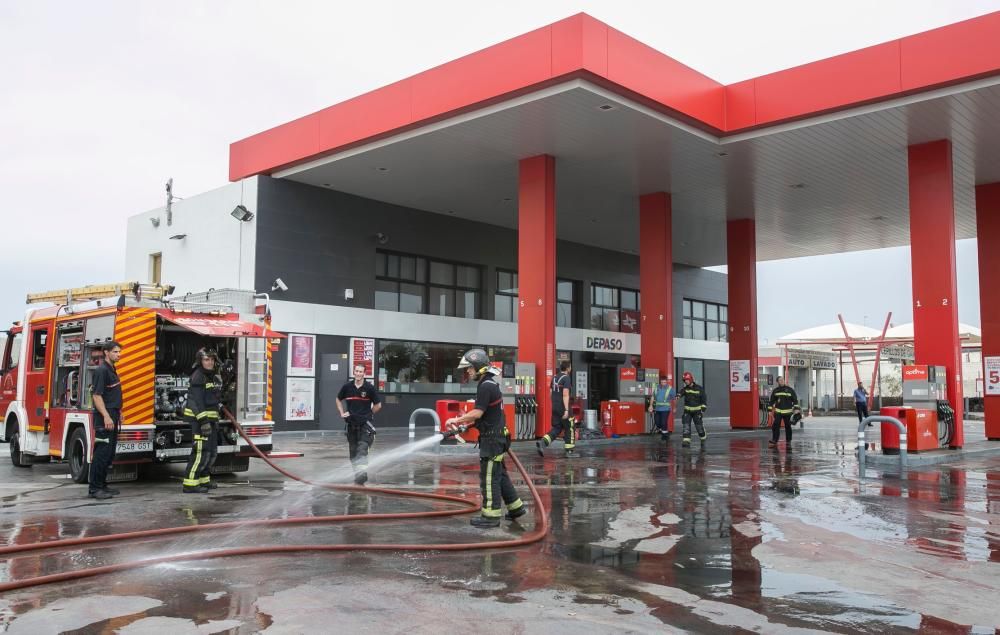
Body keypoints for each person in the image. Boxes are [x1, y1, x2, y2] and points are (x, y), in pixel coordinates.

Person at [446, 349, 525, 528]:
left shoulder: (486, 386)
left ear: (479, 368)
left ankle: (490, 516)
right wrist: (467, 425)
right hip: (497, 437)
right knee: (500, 474)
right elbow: (487, 415)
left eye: (470, 368)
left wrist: (456, 419)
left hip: (492, 440)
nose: (468, 372)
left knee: (489, 477)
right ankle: (516, 507)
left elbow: (478, 412)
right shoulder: (489, 383)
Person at [182, 349, 223, 493]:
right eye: (206, 360)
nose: (210, 362)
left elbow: (211, 398)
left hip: (210, 420)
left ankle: (204, 480)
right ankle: (190, 484)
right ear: (200, 361)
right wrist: (204, 421)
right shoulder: (198, 376)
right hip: (200, 421)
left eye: (212, 359)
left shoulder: (210, 376)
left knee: (210, 452)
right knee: (200, 452)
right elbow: (197, 402)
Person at [337, 363, 382, 485]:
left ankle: (362, 475)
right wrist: (342, 413)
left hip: (365, 426)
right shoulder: (347, 387)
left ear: (364, 374)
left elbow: (378, 405)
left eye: (360, 371)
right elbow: (338, 399)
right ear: (354, 372)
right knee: (353, 454)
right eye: (356, 371)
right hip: (351, 426)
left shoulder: (369, 388)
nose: (358, 373)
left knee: (362, 450)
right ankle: (358, 474)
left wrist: (369, 414)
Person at [89, 341, 123, 500]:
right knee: (102, 453)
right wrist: (106, 416)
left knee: (109, 453)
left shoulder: (111, 369)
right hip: (105, 417)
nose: (118, 354)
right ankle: (95, 489)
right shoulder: (102, 371)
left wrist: (118, 411)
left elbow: (111, 394)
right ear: (106, 352)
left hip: (112, 414)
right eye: (115, 352)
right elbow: (97, 395)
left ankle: (102, 485)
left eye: (119, 352)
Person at [537, 361, 575, 456]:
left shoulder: (554, 378)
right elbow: (565, 394)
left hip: (555, 406)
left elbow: (551, 393)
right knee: (569, 427)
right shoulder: (566, 378)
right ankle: (569, 452)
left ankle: (543, 442)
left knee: (557, 428)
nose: (570, 368)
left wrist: (555, 404)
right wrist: (566, 410)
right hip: (563, 407)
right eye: (570, 367)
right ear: (567, 368)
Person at [768, 376, 800, 448]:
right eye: (780, 380)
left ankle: (788, 440)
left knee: (788, 426)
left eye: (782, 379)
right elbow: (771, 401)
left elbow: (795, 400)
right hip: (778, 412)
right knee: (775, 425)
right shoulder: (775, 390)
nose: (782, 381)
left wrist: (796, 408)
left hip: (788, 412)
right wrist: (769, 410)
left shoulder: (790, 390)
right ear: (777, 382)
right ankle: (774, 440)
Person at [679, 371, 708, 448]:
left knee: (699, 427)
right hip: (687, 411)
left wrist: (703, 409)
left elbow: (704, 399)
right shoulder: (685, 389)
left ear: (691, 379)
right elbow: (681, 392)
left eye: (687, 380)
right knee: (686, 426)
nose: (686, 381)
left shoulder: (699, 388)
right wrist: (678, 395)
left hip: (697, 412)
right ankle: (686, 441)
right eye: (685, 380)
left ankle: (703, 437)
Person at [648, 375, 675, 442]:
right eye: (662, 382)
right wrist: (650, 405)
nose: (663, 384)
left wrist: (674, 407)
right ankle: (665, 432)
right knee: (657, 422)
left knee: (663, 422)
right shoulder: (657, 388)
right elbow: (652, 397)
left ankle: (664, 435)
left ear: (667, 382)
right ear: (660, 382)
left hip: (666, 409)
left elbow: (674, 399)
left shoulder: (670, 389)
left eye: (664, 382)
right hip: (657, 409)